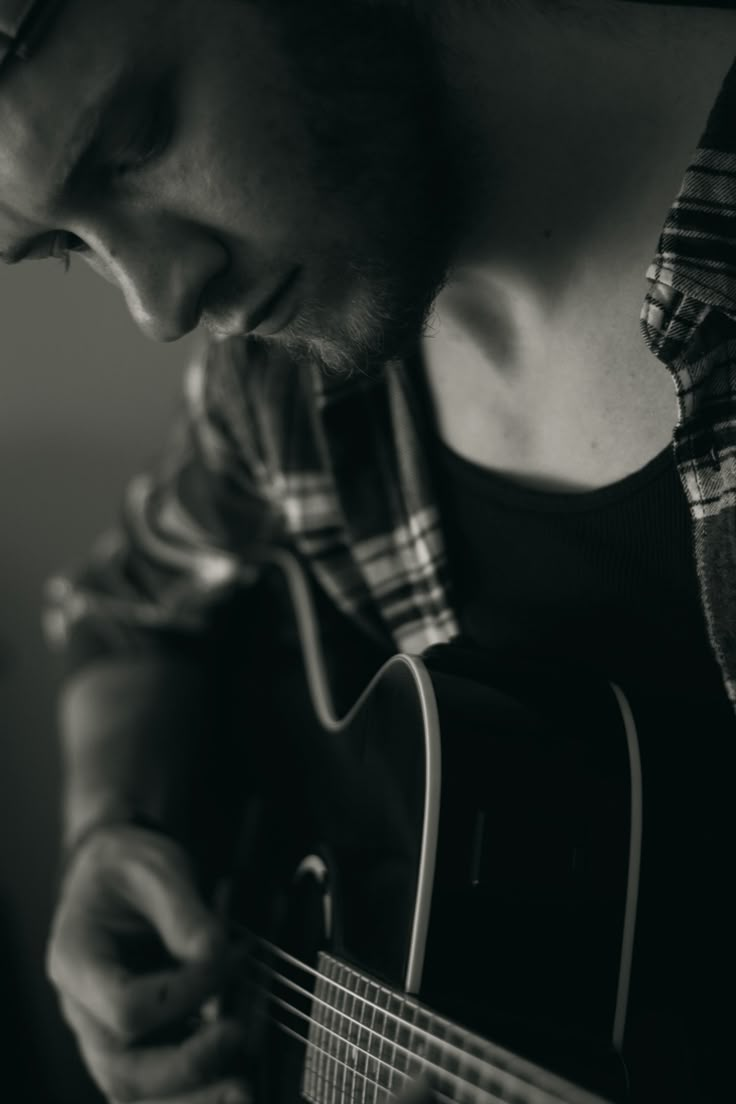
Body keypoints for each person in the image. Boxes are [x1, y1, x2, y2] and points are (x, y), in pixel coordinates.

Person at [1, 0, 735, 1100]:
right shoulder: (281, 389)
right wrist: (114, 828)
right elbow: (130, 605)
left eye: (135, 135)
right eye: (64, 245)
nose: (155, 304)